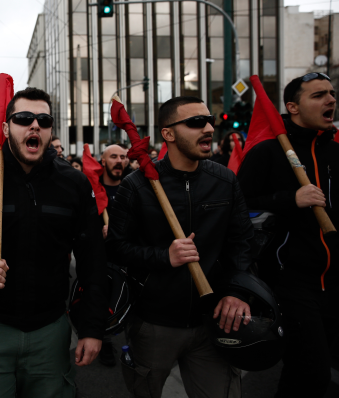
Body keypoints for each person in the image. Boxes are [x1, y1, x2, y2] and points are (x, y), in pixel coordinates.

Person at [0, 87, 107, 398]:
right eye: (24, 118)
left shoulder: (74, 184)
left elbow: (93, 260)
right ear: (5, 128)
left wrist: (93, 328)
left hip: (51, 329)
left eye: (43, 119)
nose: (34, 125)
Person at [106, 96, 254, 398]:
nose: (209, 128)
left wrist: (238, 293)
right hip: (153, 324)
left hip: (213, 322)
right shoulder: (136, 186)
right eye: (196, 122)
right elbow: (116, 249)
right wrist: (165, 257)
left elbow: (242, 242)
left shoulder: (225, 180)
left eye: (209, 120)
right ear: (168, 133)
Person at [237, 73, 338, 398]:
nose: (331, 100)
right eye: (319, 95)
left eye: (332, 94)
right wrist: (289, 200)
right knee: (311, 372)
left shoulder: (336, 150)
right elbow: (239, 208)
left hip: (335, 279)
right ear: (292, 106)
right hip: (292, 280)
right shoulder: (268, 151)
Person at [96, 144, 129, 367]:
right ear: (103, 160)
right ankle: (104, 341)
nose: (119, 161)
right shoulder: (94, 191)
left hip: (129, 259)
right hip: (102, 261)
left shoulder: (133, 188)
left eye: (124, 157)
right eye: (114, 156)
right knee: (103, 303)